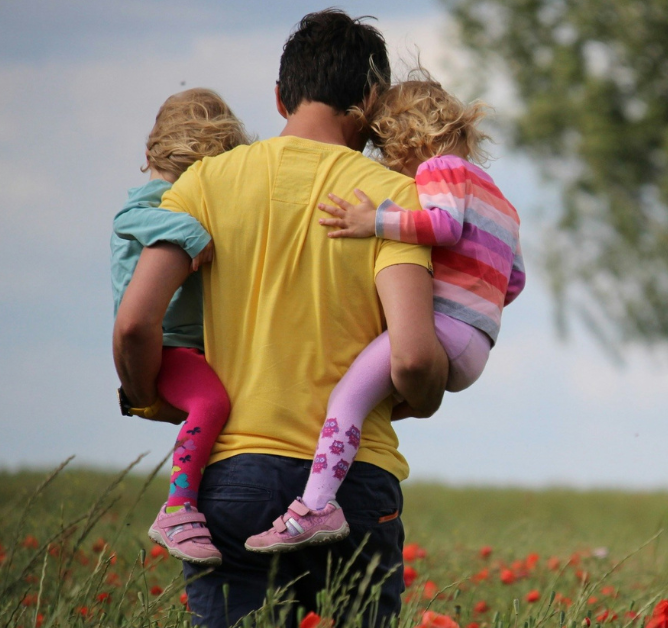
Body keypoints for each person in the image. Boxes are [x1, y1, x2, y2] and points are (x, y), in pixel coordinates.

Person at [113, 9, 447, 627]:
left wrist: (145, 395)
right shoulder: (393, 199)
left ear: (278, 96)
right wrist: (420, 398)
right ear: (371, 100)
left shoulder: (204, 184)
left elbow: (135, 324)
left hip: (233, 477)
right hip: (355, 483)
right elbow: (416, 357)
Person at [245, 74, 526, 553]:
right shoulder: (501, 199)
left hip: (443, 329)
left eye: (386, 148)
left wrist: (372, 221)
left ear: (408, 138)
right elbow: (514, 280)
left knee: (346, 399)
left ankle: (316, 506)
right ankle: (330, 483)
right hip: (477, 342)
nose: (388, 163)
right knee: (373, 399)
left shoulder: (440, 170)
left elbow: (442, 225)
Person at [111, 88, 249, 566]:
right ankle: (178, 508)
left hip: (190, 346)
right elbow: (129, 218)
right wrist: (191, 232)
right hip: (167, 346)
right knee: (211, 402)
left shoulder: (175, 195)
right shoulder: (155, 201)